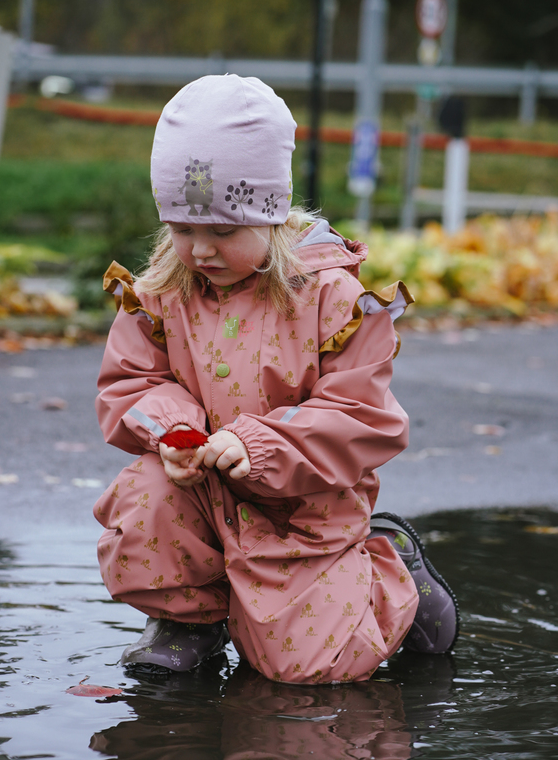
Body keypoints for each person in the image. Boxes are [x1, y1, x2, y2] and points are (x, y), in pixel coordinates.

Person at [93, 74, 458, 685]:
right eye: (183, 230)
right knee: (145, 497)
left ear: (272, 213)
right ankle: (190, 622)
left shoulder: (333, 298)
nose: (200, 250)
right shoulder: (160, 293)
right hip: (203, 491)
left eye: (222, 231)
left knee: (304, 669)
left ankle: (392, 582)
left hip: (302, 503)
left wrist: (261, 444)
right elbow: (132, 380)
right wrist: (174, 432)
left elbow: (360, 415)